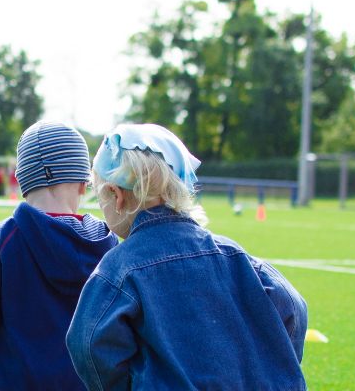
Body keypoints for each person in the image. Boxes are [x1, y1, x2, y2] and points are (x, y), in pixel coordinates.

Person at [66, 124, 307, 390]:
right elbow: (294, 306)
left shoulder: (118, 269)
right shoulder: (235, 255)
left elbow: (87, 343)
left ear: (116, 195)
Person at [0, 122, 119, 389]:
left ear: (24, 181)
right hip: (86, 380)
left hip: (19, 379)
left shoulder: (7, 237)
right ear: (84, 184)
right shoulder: (106, 242)